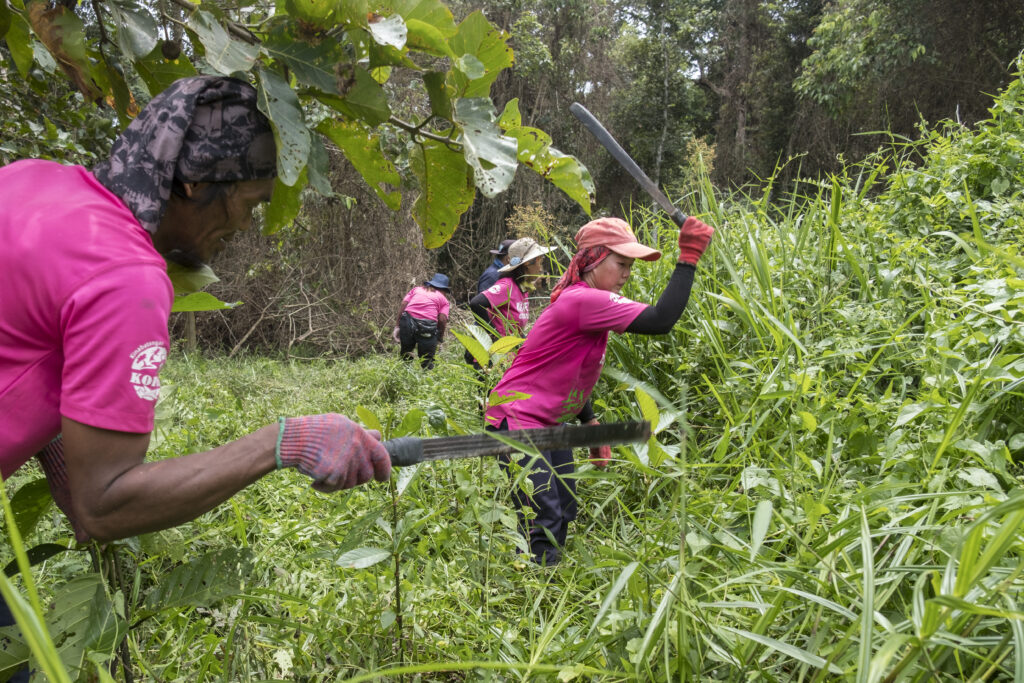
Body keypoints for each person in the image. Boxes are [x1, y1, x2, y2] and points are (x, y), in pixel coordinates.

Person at [0, 76, 392, 666]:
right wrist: (282, 442)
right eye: (249, 203)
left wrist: (57, 439)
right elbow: (101, 505)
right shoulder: (126, 278)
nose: (243, 228)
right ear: (194, 181)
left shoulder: (35, 179)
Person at [484, 215, 714, 565]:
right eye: (621, 263)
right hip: (516, 417)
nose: (626, 273)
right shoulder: (584, 301)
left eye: (630, 266)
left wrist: (590, 424)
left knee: (564, 506)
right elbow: (661, 320)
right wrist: (689, 258)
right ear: (593, 259)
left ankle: (546, 577)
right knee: (541, 514)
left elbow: (569, 373)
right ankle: (532, 594)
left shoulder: (587, 301)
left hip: (547, 420)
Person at [469, 237, 553, 341]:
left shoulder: (522, 288)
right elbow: (476, 303)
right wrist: (494, 335)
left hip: (509, 355)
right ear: (528, 263)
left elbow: (515, 329)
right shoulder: (506, 286)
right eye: (539, 262)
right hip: (495, 355)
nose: (540, 268)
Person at [393, 273, 451, 370]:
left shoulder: (416, 290)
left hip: (407, 322)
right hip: (427, 327)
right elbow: (442, 319)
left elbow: (403, 304)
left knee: (406, 354)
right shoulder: (444, 300)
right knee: (427, 361)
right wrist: (439, 337)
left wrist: (397, 326)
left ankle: (404, 375)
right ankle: (426, 379)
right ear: (444, 290)